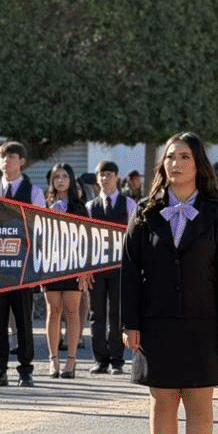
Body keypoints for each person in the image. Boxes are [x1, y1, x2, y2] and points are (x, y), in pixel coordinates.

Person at [121, 133, 218, 434]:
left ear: (198, 164)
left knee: (199, 401)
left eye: (184, 157)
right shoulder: (144, 211)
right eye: (170, 157)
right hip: (156, 322)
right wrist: (130, 322)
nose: (175, 163)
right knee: (162, 401)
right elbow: (130, 271)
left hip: (204, 322)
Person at [0, 141, 44, 388]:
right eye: (1, 158)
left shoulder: (34, 192)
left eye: (11, 157)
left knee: (23, 320)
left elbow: (41, 227)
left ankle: (25, 369)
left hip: (23, 266)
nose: (5, 162)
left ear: (22, 161)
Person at [87, 160, 137, 375]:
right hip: (97, 268)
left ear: (116, 177)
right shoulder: (90, 207)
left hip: (120, 267)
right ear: (97, 179)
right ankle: (100, 359)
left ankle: (117, 359)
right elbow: (85, 239)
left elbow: (135, 237)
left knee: (117, 313)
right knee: (96, 315)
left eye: (109, 174)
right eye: (101, 174)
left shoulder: (128, 204)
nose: (105, 178)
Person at [43, 163, 90, 379]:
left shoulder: (80, 207)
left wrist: (85, 269)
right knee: (53, 310)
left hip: (73, 264)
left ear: (71, 180)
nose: (60, 180)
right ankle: (53, 361)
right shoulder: (44, 205)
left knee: (72, 311)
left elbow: (88, 239)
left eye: (64, 176)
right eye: (56, 177)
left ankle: (71, 362)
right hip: (51, 265)